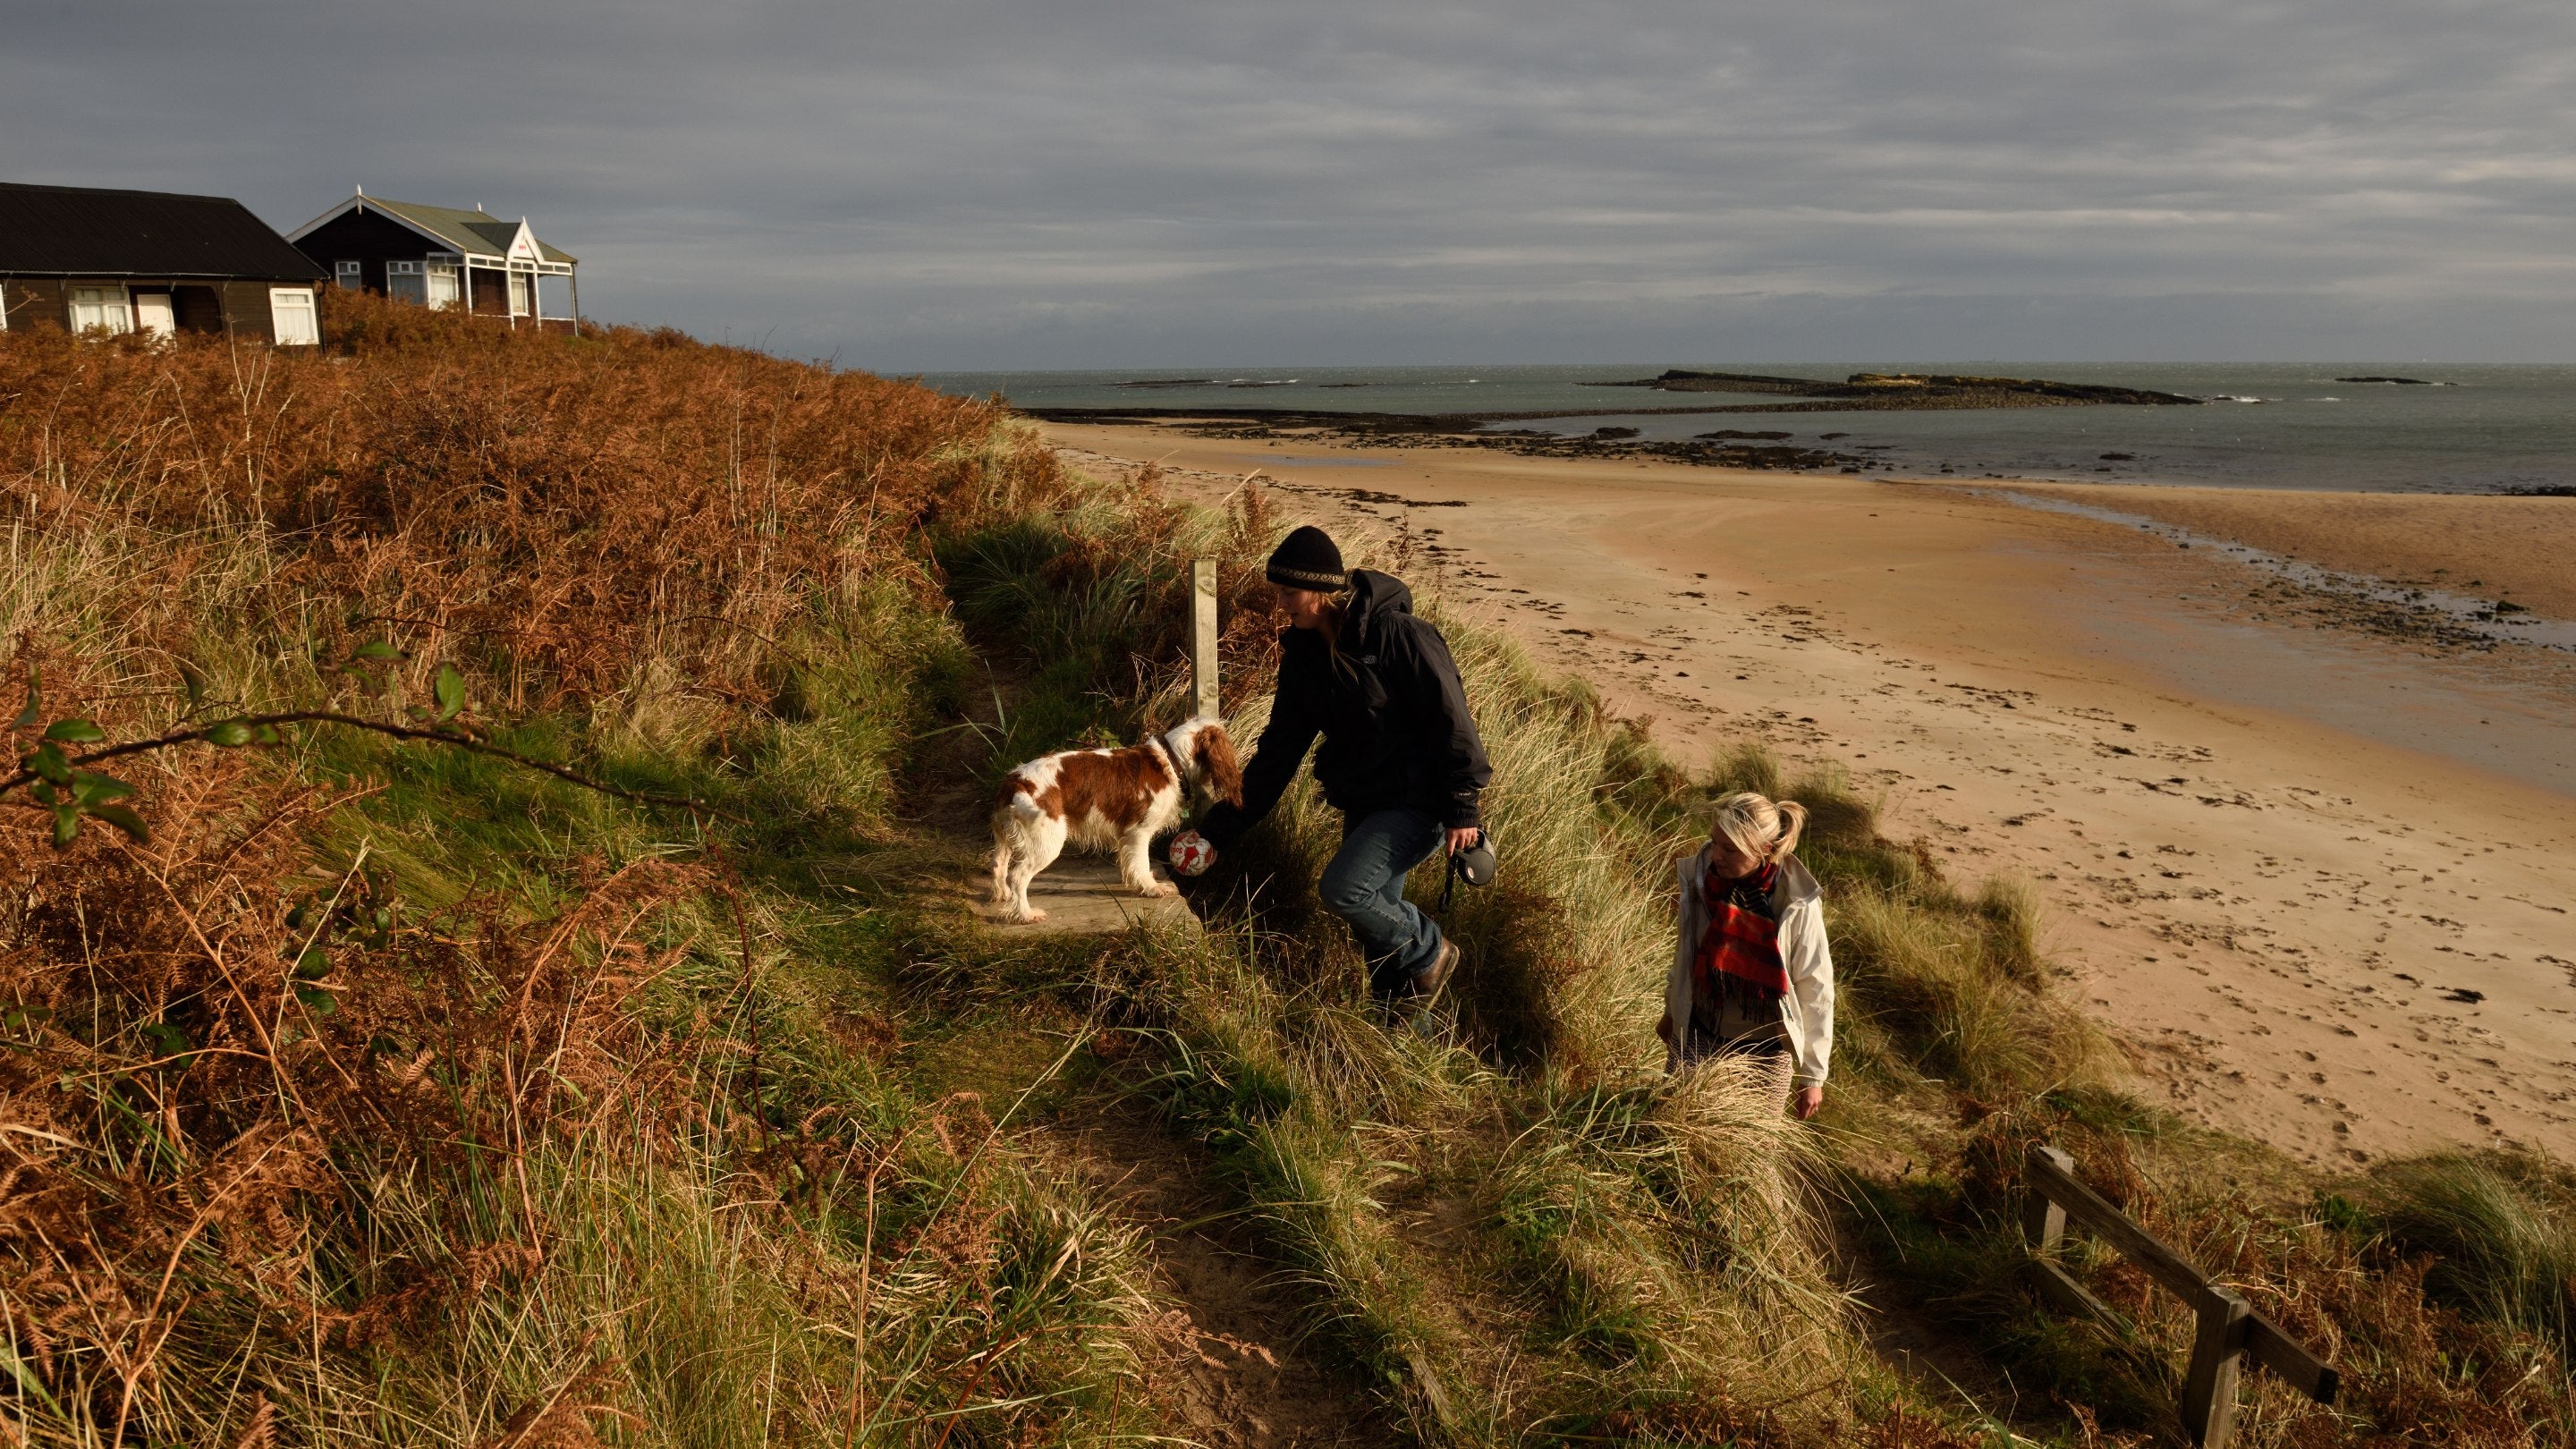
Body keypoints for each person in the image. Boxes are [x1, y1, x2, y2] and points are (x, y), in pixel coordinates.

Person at [1191, 525, 1490, 1003]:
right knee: (1375, 933)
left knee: (1345, 890)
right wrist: (1216, 830)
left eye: (1290, 591)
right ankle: (1407, 1036)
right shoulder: (1303, 659)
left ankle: (1431, 950)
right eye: (1279, 592)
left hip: (1420, 800)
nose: (1282, 603)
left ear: (1323, 590)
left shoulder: (1399, 635)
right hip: (1366, 798)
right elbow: (1279, 753)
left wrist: (1462, 806)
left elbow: (1452, 719)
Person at [1659, 791, 1835, 1119]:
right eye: (1714, 842)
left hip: (1766, 1052)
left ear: (1764, 850)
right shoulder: (1701, 883)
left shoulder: (1796, 902)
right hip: (1700, 1034)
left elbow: (1816, 986)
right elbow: (1685, 955)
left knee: (1754, 1150)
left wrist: (1813, 1076)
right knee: (1673, 1130)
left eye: (1729, 848)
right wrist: (1672, 1011)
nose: (1716, 856)